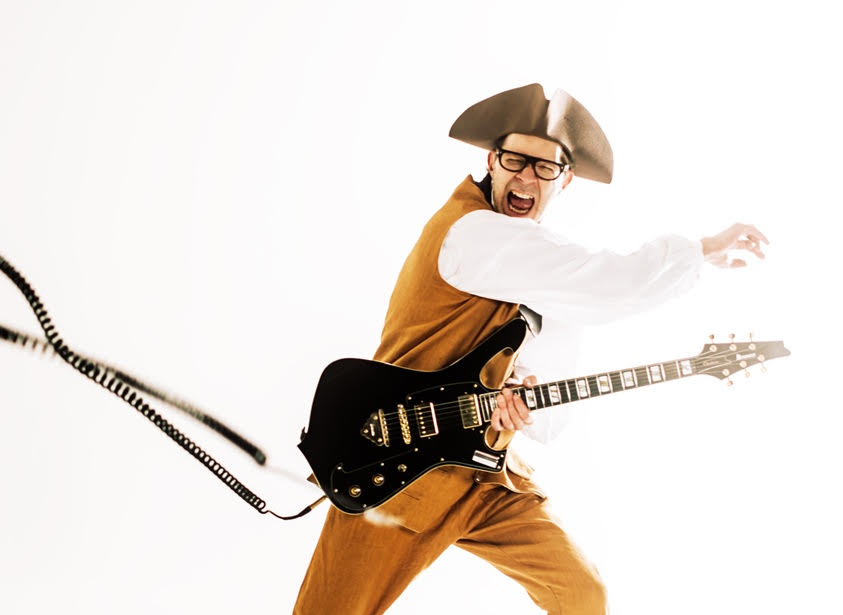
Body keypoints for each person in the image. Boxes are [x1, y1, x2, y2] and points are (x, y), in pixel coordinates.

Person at [294, 83, 768, 615]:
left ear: (565, 180)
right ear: (491, 161)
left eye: (545, 168)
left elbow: (547, 395)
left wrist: (518, 400)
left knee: (582, 596)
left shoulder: (533, 275)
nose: (526, 178)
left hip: (487, 473)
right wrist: (701, 250)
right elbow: (607, 284)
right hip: (400, 473)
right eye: (515, 160)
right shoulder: (474, 233)